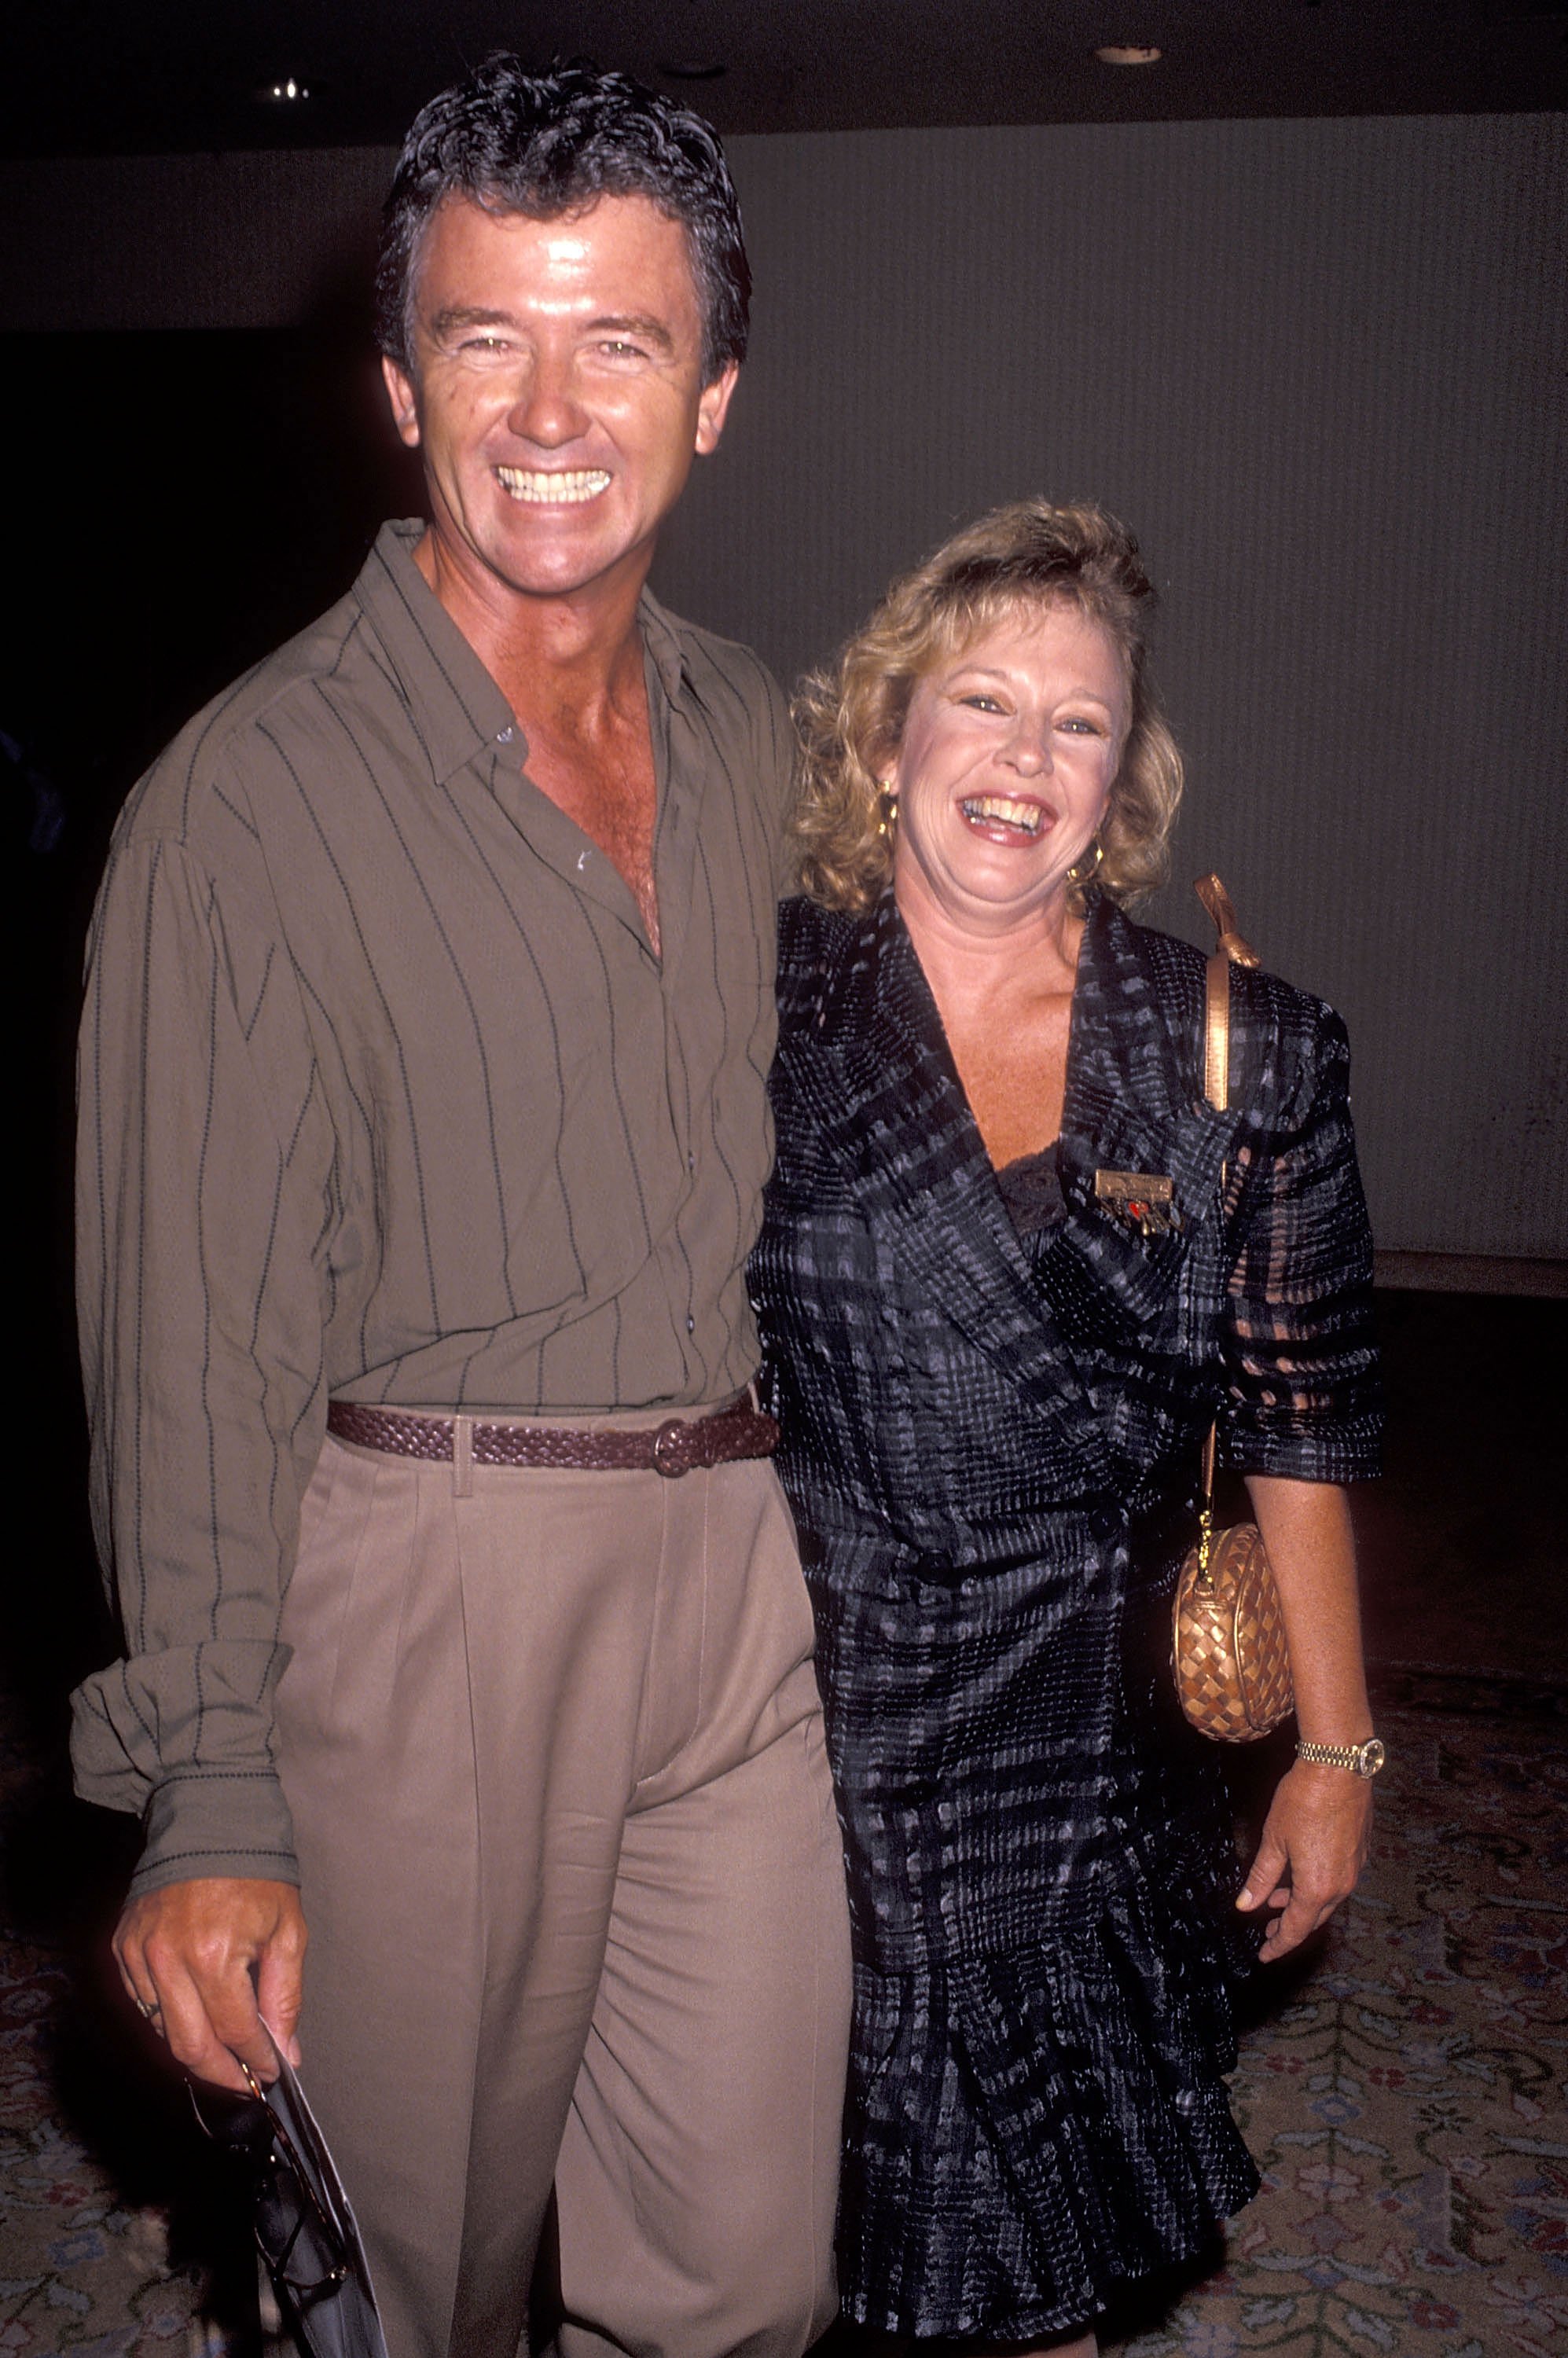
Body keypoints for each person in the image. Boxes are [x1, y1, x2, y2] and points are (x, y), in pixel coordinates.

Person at [72, 56, 850, 2358]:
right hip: (426, 1589)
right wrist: (214, 1782)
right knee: (404, 2281)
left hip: (735, 1578)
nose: (549, 404)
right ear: (398, 377)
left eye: (618, 337)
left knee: (742, 2269)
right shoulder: (246, 802)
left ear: (716, 396)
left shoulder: (757, 739)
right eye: (487, 334)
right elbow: (189, 1330)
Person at [748, 500, 1384, 2354]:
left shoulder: (1238, 1048)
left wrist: (1336, 1751)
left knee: (1032, 2274)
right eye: (980, 702)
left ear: (1122, 781)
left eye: (1078, 722)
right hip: (804, 1714)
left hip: (1082, 1743)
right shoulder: (749, 998)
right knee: (783, 2249)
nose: (1023, 759)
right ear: (887, 741)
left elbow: (1301, 1408)